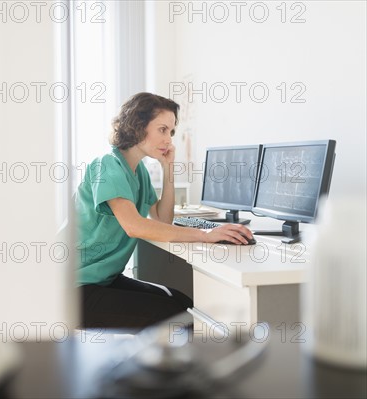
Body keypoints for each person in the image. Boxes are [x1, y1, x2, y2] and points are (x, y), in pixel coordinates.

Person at [75, 92, 254, 330]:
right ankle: (164, 365)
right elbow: (135, 226)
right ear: (137, 126)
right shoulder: (107, 165)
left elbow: (162, 219)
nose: (168, 140)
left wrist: (168, 169)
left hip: (103, 280)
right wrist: (206, 235)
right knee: (176, 317)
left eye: (171, 132)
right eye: (162, 129)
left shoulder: (139, 172)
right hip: (76, 289)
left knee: (184, 304)